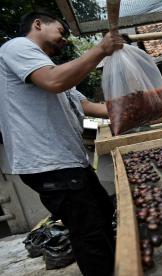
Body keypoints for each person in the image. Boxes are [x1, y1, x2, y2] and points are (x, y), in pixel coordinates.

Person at [0, 10, 125, 276]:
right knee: (89, 232)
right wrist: (101, 49)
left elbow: (87, 105)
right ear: (37, 25)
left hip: (69, 162)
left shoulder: (46, 65)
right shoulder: (17, 47)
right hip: (50, 164)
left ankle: (119, 268)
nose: (65, 40)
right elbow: (54, 81)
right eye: (61, 31)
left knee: (102, 214)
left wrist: (132, 107)